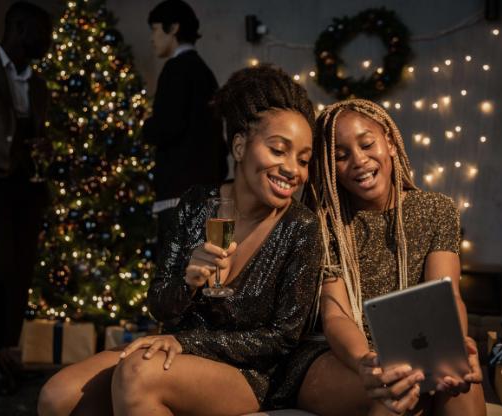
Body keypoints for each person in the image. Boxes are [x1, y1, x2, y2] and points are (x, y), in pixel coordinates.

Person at [38, 65, 321, 415]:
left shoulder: (301, 226)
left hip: (248, 374)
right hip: (171, 352)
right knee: (57, 396)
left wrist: (184, 341)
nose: (293, 169)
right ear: (239, 145)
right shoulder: (196, 203)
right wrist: (188, 282)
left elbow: (282, 339)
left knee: (139, 373)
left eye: (304, 159)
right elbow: (159, 303)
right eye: (279, 150)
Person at [289, 99, 486, 415]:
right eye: (341, 156)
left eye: (367, 144)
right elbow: (335, 315)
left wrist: (450, 351)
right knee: (394, 391)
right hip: (337, 354)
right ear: (328, 167)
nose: (359, 160)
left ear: (391, 143)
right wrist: (369, 362)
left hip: (411, 349)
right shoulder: (327, 225)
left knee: (459, 382)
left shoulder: (437, 210)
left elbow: (446, 295)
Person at [0, 1, 52, 395]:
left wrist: (44, 148)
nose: (48, 41)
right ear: (19, 28)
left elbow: (32, 133)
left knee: (18, 272)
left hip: (25, 190)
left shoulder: (38, 83)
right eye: (43, 33)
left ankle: (6, 355)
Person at [143, 0, 228, 253]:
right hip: (204, 189)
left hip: (179, 190)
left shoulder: (177, 68)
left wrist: (145, 128)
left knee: (174, 269)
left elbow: (167, 126)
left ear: (173, 28)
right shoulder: (204, 71)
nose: (152, 38)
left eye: (155, 29)